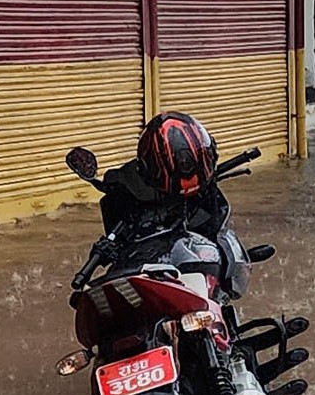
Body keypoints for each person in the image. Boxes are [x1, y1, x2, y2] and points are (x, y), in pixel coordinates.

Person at [81, 112, 244, 298]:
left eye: (188, 163)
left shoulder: (206, 195)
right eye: (181, 163)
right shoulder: (126, 190)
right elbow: (118, 241)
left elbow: (216, 228)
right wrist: (110, 249)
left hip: (194, 265)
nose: (184, 168)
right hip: (147, 271)